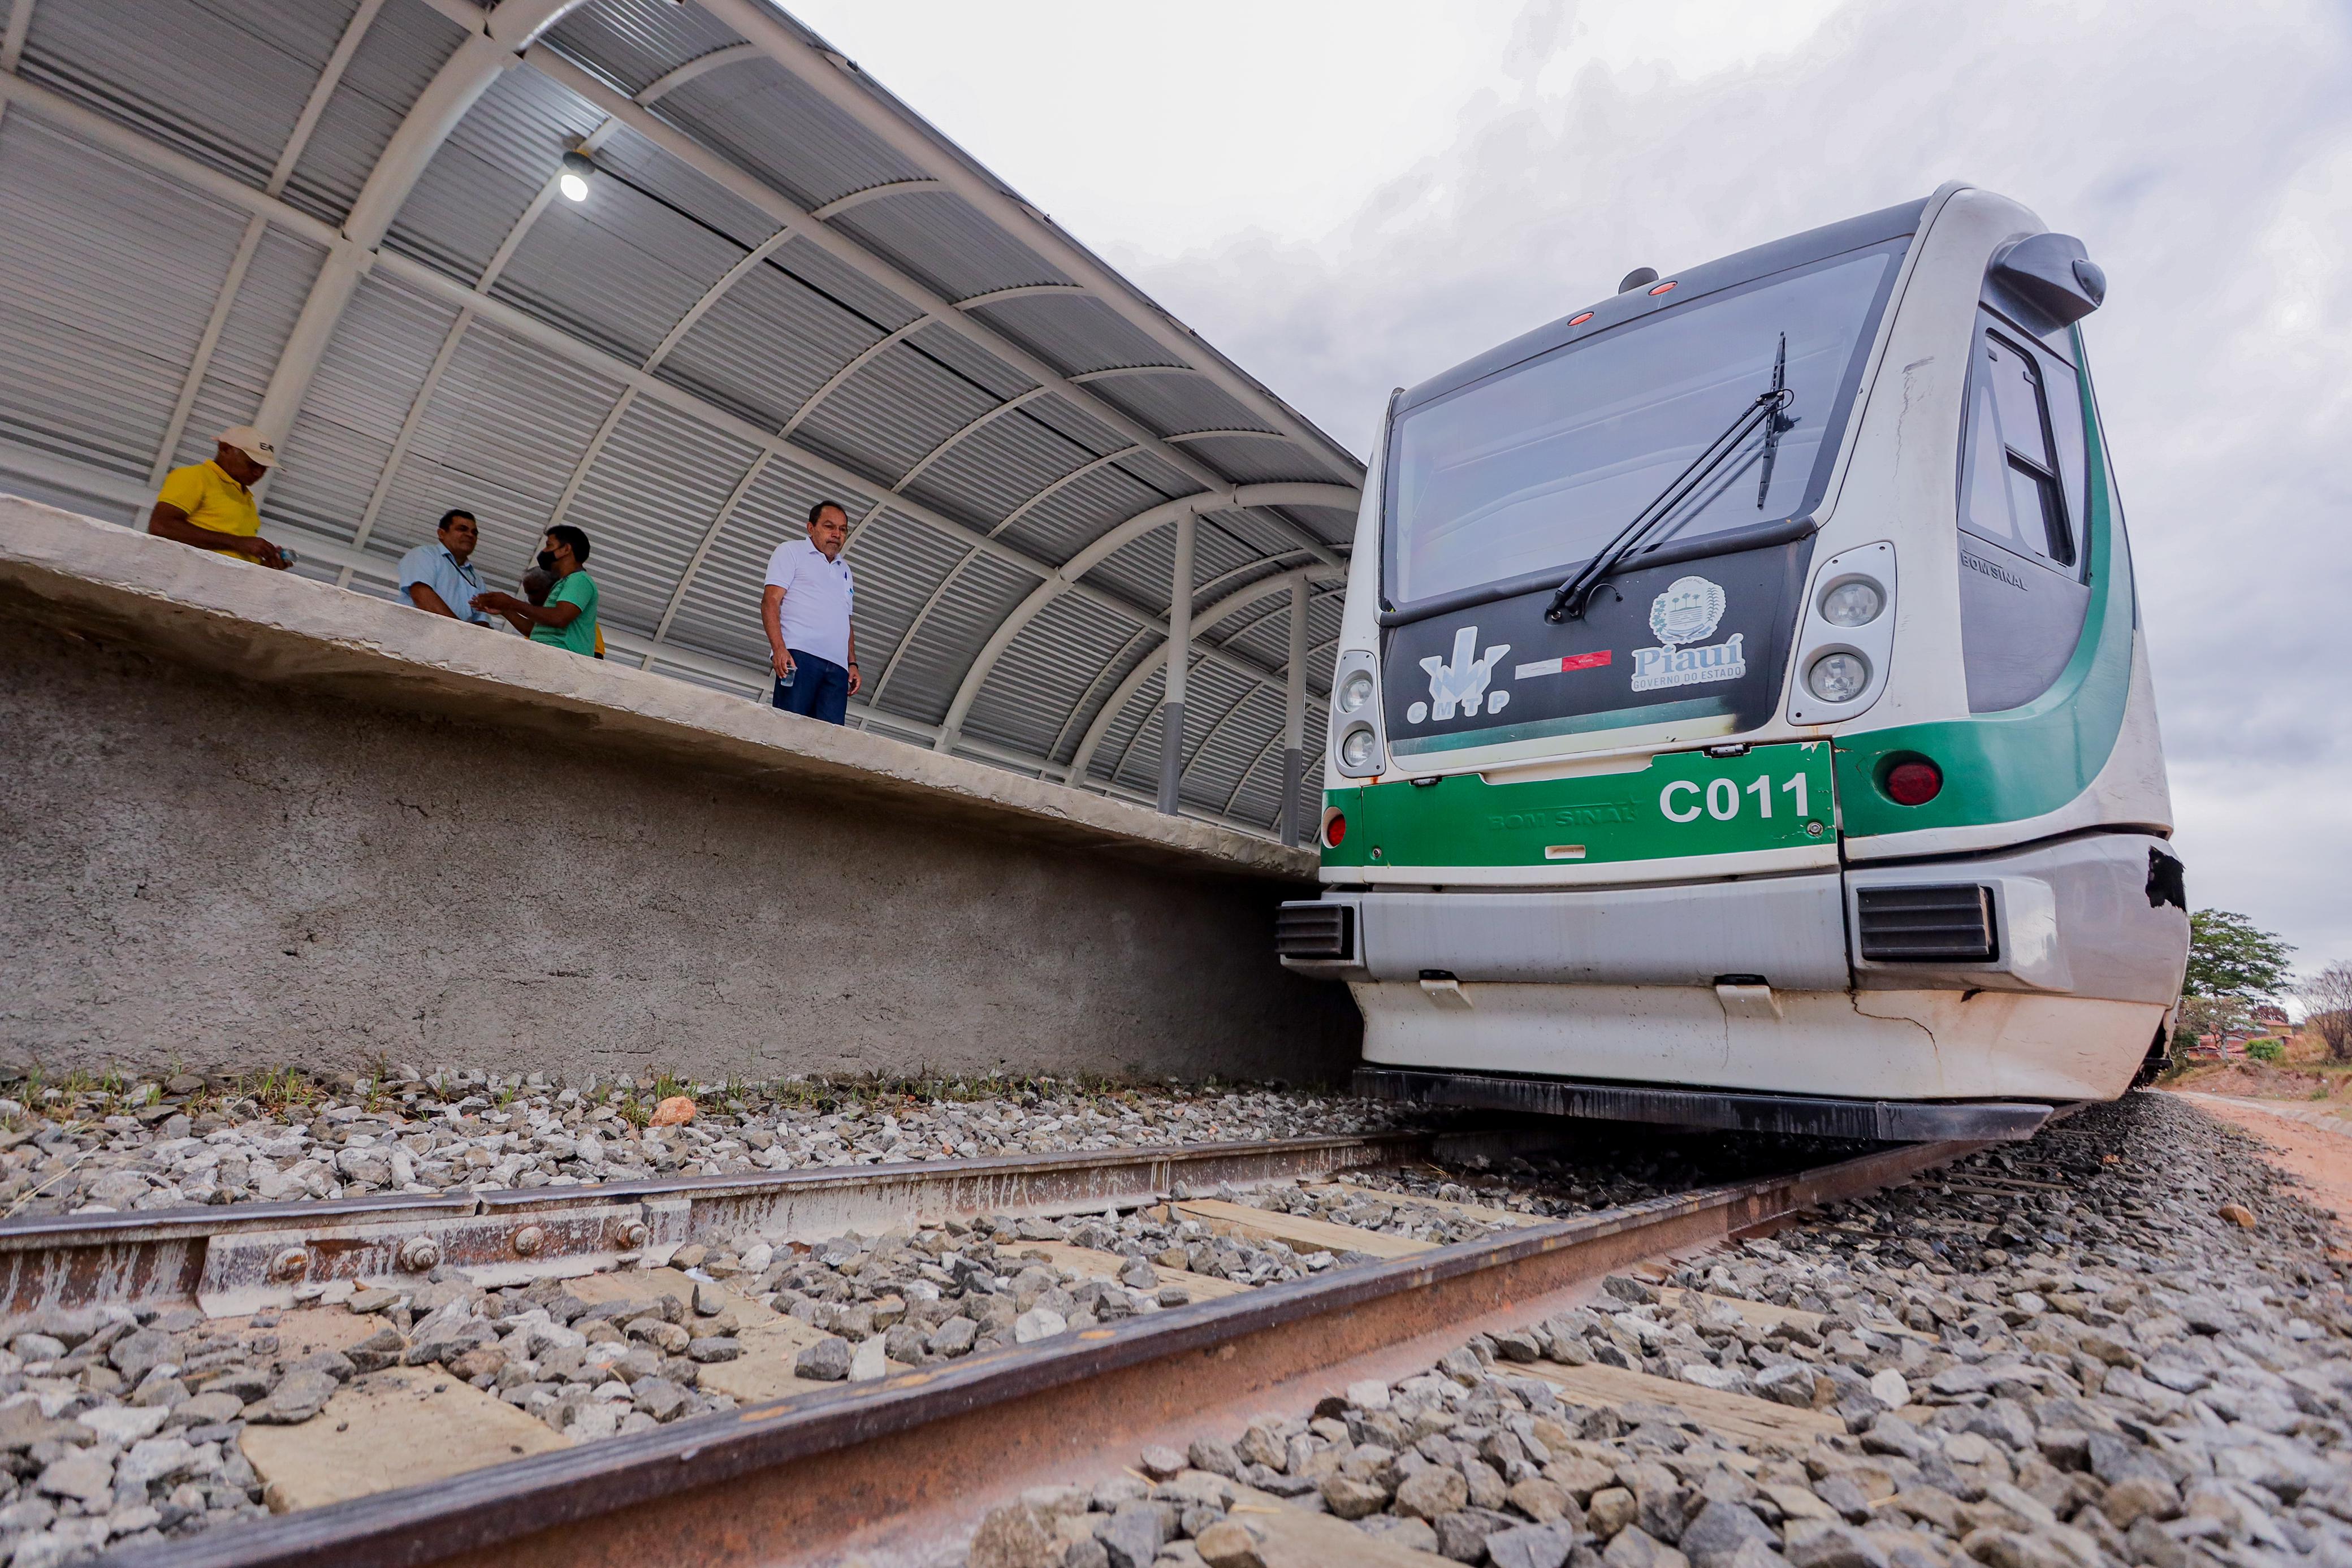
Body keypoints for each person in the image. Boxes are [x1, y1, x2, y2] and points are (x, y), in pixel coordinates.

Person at [762, 500, 859, 724]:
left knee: (829, 741)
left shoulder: (845, 569)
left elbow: (846, 620)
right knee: (790, 729)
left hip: (837, 667)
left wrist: (852, 664)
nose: (837, 534)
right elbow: (770, 602)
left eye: (842, 529)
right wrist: (779, 648)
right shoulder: (791, 551)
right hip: (800, 657)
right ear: (811, 528)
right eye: (829, 526)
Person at [147, 426, 290, 568]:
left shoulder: (248, 501)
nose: (258, 473)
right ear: (225, 449)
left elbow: (235, 551)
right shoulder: (195, 476)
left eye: (265, 468)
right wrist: (238, 543)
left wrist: (265, 564)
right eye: (252, 464)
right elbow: (161, 526)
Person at [472, 525, 599, 656]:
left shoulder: (579, 580)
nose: (544, 551)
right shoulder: (565, 582)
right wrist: (505, 610)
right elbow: (534, 629)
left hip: (564, 659)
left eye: (549, 545)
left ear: (566, 549)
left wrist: (511, 603)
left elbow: (559, 618)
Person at [395, 510, 491, 624]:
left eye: (474, 533)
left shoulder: (477, 580)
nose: (470, 535)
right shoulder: (426, 554)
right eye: (462, 529)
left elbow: (482, 621)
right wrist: (458, 632)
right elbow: (422, 596)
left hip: (451, 640)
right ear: (441, 534)